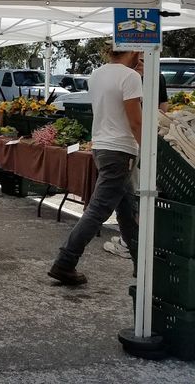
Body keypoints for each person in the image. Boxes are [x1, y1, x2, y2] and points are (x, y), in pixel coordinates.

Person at [49, 46, 142, 286]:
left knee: (127, 211)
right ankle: (65, 262)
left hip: (101, 146)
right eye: (139, 54)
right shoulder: (130, 77)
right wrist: (152, 154)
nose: (141, 58)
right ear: (131, 51)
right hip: (121, 150)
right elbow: (136, 122)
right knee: (98, 210)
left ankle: (143, 267)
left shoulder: (98, 74)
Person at [103, 53, 167, 259]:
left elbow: (142, 117)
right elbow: (162, 110)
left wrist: (147, 146)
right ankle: (131, 242)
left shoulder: (136, 78)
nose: (139, 63)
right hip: (138, 141)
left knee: (137, 194)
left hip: (136, 142)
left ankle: (135, 243)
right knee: (130, 196)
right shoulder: (146, 77)